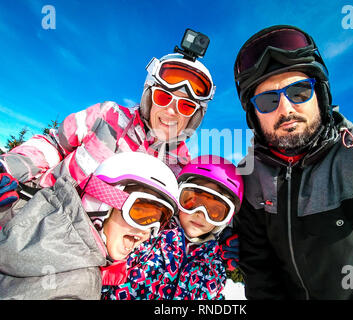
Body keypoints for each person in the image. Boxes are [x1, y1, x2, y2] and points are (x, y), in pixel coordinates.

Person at [233, 25, 353, 300]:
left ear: (320, 96)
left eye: (299, 92)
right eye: (267, 101)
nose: (286, 109)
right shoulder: (251, 178)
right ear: (254, 116)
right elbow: (260, 273)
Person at [0, 44, 215, 203]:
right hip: (39, 207)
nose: (171, 111)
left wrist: (214, 238)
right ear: (149, 98)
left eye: (186, 106)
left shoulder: (181, 163)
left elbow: (182, 212)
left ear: (194, 117)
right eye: (163, 97)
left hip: (99, 252)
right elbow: (55, 143)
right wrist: (11, 167)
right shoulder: (109, 115)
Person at [0, 152, 179, 299]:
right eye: (142, 212)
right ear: (101, 200)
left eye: (159, 221)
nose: (148, 232)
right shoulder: (83, 284)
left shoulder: (34, 209)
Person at [101, 155, 244, 300]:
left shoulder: (215, 267)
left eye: (215, 211)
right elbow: (107, 274)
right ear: (177, 196)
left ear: (224, 220)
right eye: (192, 201)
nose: (200, 214)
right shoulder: (150, 236)